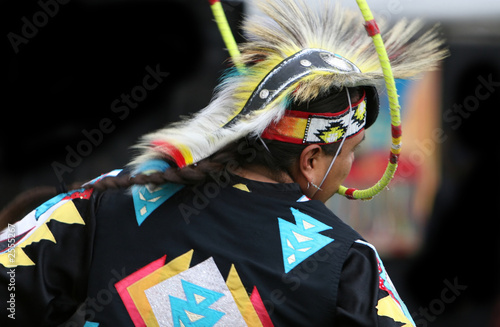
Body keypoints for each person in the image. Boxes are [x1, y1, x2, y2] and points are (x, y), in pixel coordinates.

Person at [0, 0, 447, 325]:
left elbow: (9, 289)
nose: (350, 168)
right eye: (351, 152)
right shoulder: (346, 263)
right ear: (312, 160)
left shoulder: (115, 196)